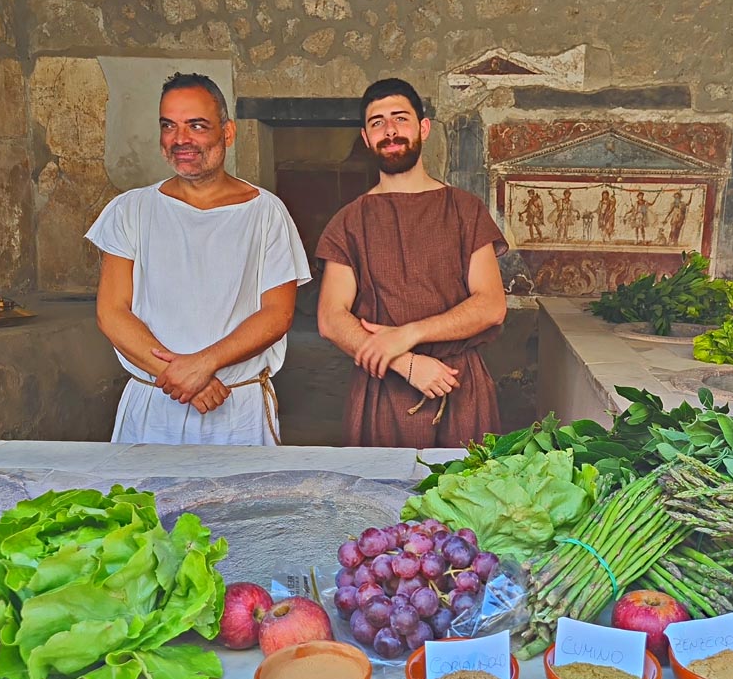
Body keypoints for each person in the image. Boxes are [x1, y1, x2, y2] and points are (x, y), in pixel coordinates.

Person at [85, 72, 310, 445]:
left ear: (227, 133)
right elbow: (112, 312)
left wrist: (205, 364)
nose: (180, 139)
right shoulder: (131, 210)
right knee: (145, 486)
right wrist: (181, 377)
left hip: (236, 407)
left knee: (244, 487)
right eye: (169, 126)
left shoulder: (266, 212)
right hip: (154, 404)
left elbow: (277, 314)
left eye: (197, 125)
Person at [315, 78, 508, 448]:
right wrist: (405, 363)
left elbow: (491, 305)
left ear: (423, 127)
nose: (390, 130)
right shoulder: (349, 222)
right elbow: (330, 318)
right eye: (377, 123)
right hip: (384, 391)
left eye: (400, 118)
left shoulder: (465, 210)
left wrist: (409, 334)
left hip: (459, 383)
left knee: (468, 484)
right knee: (383, 486)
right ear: (366, 138)